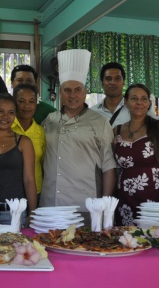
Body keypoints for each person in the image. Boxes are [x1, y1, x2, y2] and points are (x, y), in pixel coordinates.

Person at [41, 50, 116, 223]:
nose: (72, 95)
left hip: (85, 205)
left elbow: (109, 166)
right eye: (67, 90)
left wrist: (104, 204)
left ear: (85, 92)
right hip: (50, 205)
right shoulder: (49, 121)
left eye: (77, 90)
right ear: (61, 92)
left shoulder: (100, 122)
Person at [114, 84, 159, 225]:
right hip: (125, 202)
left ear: (149, 103)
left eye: (144, 99)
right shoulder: (117, 130)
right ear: (125, 102)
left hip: (156, 203)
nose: (139, 102)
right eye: (134, 98)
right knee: (127, 243)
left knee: (155, 241)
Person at [0, 93, 37, 226]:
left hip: (16, 213)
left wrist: (33, 212)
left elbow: (29, 179)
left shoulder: (24, 142)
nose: (5, 117)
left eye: (10, 112)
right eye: (0, 111)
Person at [11, 84, 46, 202]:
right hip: (10, 192)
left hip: (36, 192)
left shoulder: (41, 132)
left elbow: (44, 164)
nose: (27, 106)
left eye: (31, 101)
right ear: (14, 102)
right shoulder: (6, 128)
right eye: (21, 101)